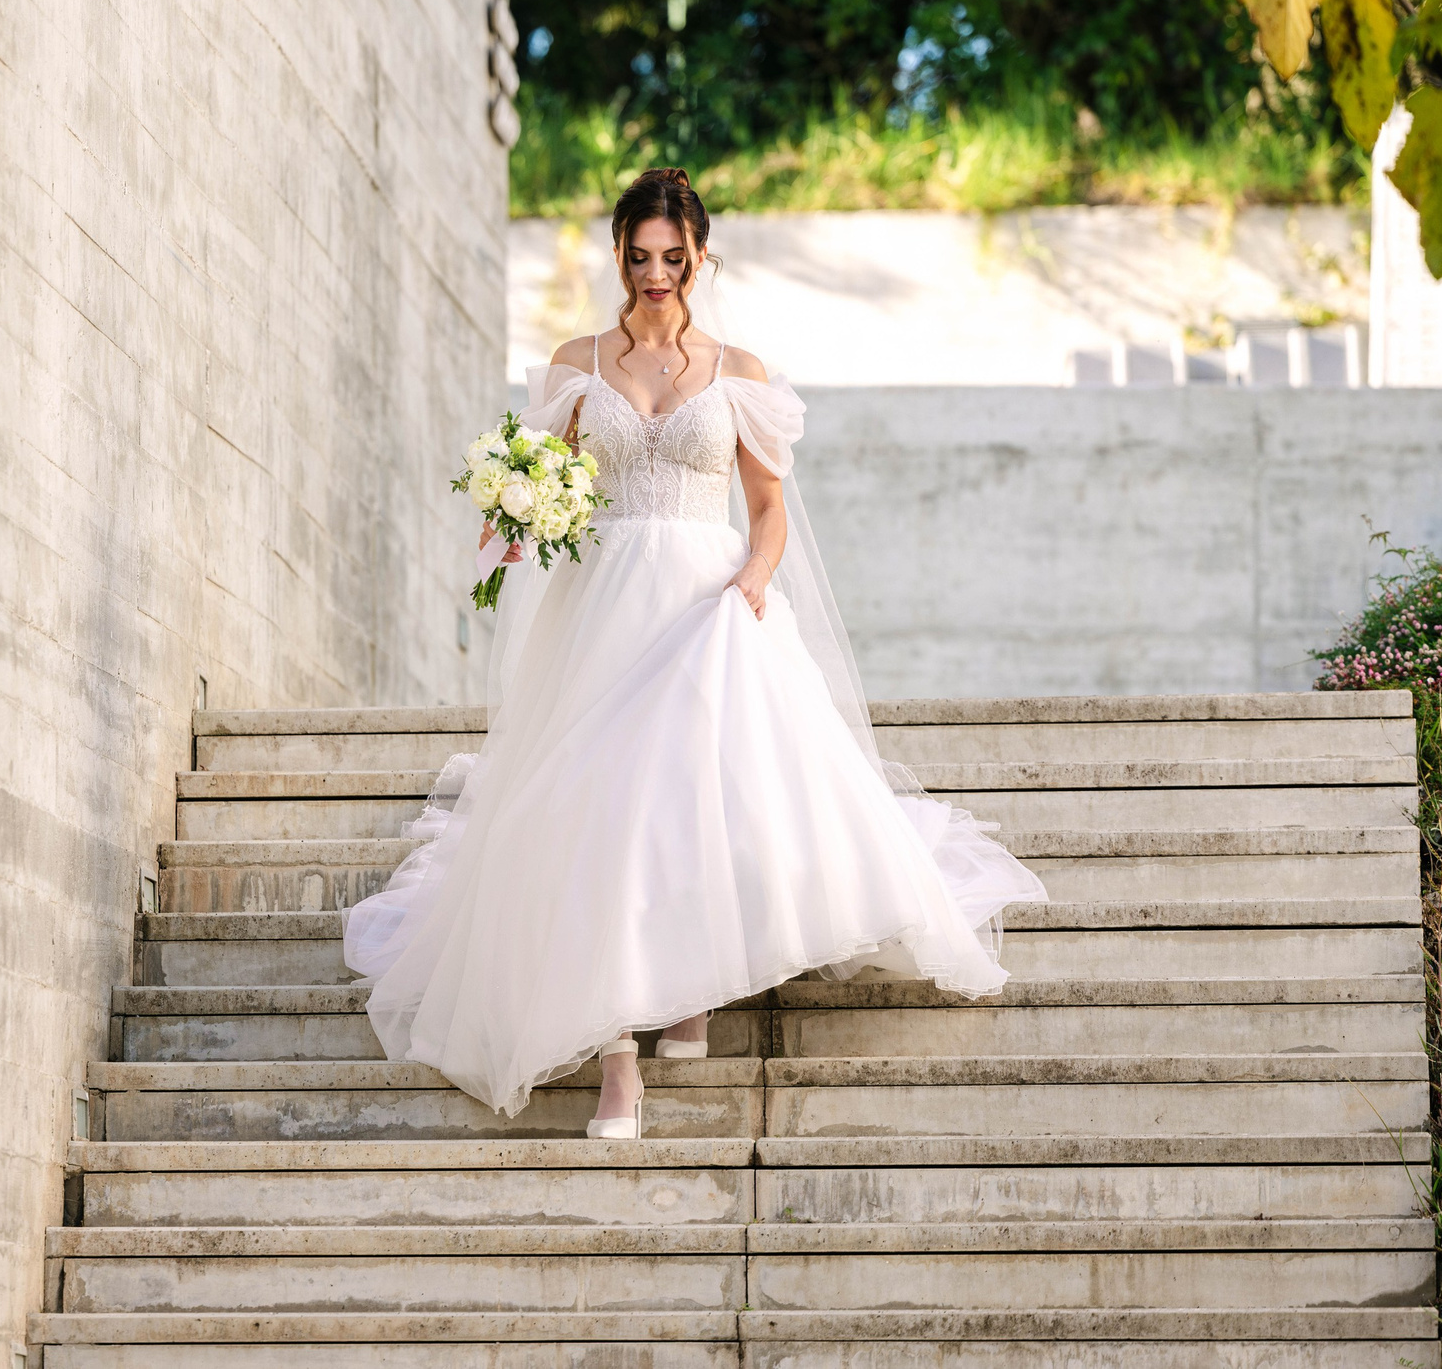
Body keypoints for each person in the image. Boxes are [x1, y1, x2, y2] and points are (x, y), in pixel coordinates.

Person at [344, 167, 1045, 1136]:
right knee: (604, 810)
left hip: (711, 597)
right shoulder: (575, 363)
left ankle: (689, 985)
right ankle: (618, 1059)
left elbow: (767, 515)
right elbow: (555, 489)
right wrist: (515, 512)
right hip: (607, 603)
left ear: (701, 257)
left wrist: (753, 581)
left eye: (675, 258)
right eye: (639, 256)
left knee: (690, 803)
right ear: (620, 253)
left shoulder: (740, 373)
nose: (656, 274)